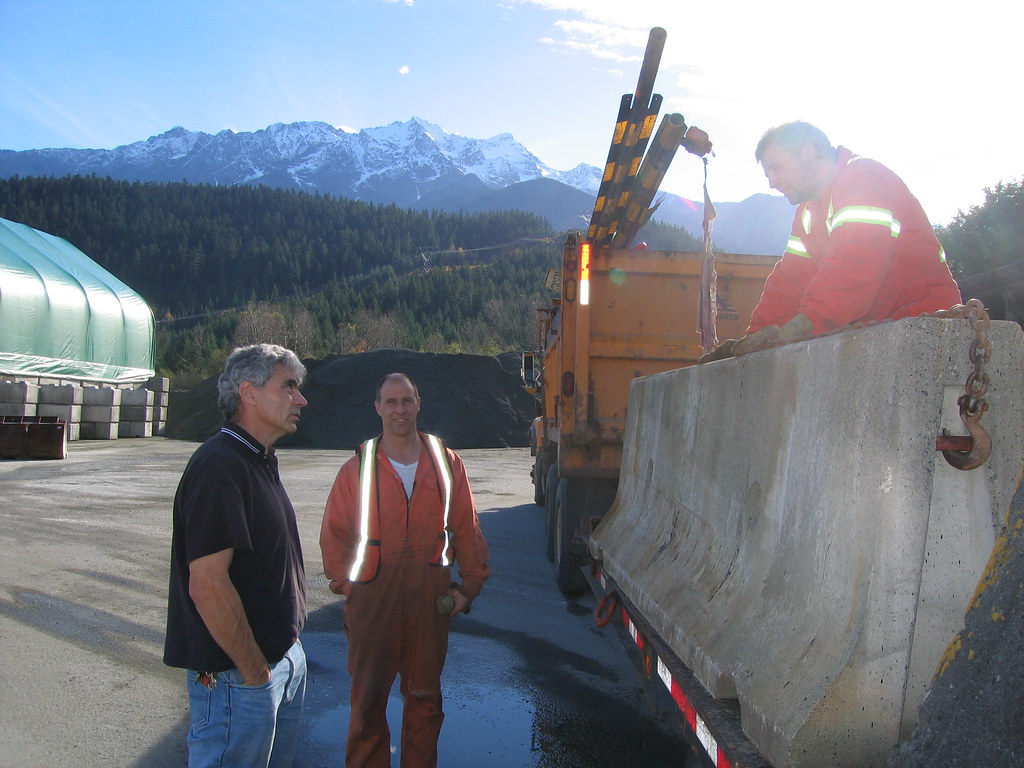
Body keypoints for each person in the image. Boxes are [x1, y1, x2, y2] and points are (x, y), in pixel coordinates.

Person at [320, 372, 490, 768]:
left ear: (418, 404)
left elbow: (467, 529)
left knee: (425, 704)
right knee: (367, 708)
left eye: (407, 401)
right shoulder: (358, 469)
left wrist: (469, 588)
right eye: (391, 402)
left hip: (431, 605)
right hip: (372, 607)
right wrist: (350, 587)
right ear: (378, 408)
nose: (400, 410)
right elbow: (335, 534)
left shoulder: (446, 464)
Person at [703, 121, 962, 361]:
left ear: (808, 151)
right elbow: (790, 281)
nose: (773, 182)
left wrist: (807, 324)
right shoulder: (808, 211)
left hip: (927, 330)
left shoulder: (864, 178)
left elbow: (855, 265)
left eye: (777, 167)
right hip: (881, 333)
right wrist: (753, 340)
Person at [164, 343, 309, 768]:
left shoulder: (257, 459)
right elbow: (208, 586)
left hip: (278, 663)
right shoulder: (220, 466)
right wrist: (254, 674)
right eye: (289, 387)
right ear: (248, 393)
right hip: (238, 679)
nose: (301, 399)